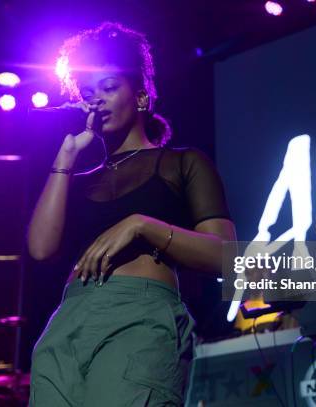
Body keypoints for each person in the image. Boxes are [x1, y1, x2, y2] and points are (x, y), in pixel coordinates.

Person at [26, 21, 236, 406]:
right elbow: (40, 248)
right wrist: (66, 158)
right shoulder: (79, 179)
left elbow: (226, 256)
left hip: (140, 315)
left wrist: (143, 226)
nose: (97, 100)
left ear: (140, 97)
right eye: (89, 93)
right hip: (70, 317)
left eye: (109, 87)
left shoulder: (183, 163)